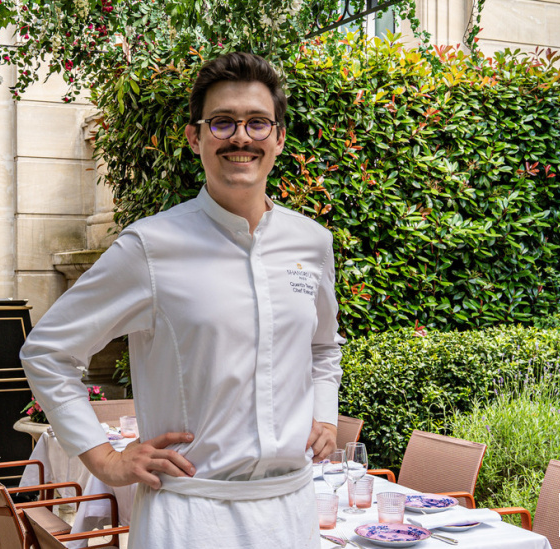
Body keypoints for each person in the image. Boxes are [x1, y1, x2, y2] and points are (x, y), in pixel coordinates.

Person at [20, 51, 344, 548]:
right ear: (196, 137)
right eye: (223, 122)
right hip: (190, 516)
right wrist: (105, 460)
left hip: (292, 512)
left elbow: (322, 347)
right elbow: (47, 352)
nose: (241, 137)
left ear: (279, 138)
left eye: (258, 123)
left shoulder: (312, 243)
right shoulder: (150, 248)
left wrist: (325, 416)